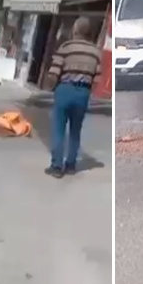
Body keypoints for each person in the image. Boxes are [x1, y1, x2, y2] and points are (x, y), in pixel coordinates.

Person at [44, 17, 102, 178]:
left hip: (65, 90)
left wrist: (50, 86)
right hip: (83, 94)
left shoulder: (66, 47)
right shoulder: (95, 52)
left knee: (58, 130)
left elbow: (54, 72)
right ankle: (70, 165)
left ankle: (56, 166)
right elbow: (97, 79)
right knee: (75, 131)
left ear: (75, 31)